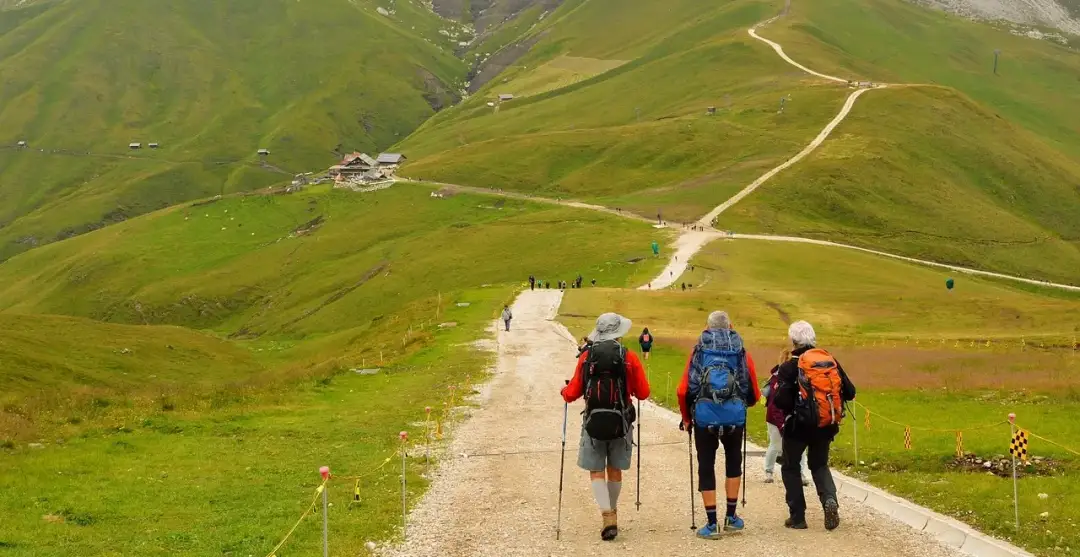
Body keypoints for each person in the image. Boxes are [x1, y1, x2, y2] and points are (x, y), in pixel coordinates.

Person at [561, 313, 651, 541]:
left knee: (596, 470)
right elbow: (643, 392)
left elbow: (572, 393)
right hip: (621, 421)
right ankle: (613, 510)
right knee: (614, 469)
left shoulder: (586, 357)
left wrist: (564, 391)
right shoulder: (628, 356)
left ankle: (607, 514)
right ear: (618, 333)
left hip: (593, 421)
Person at [677, 311, 760, 539]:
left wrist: (687, 417)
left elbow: (684, 389)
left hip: (704, 417)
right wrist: (744, 403)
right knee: (733, 461)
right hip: (734, 416)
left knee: (706, 465)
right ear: (730, 326)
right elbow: (751, 388)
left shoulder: (699, 351)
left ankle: (711, 524)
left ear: (707, 327)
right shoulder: (740, 351)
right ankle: (731, 518)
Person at [774, 321, 856, 531]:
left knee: (791, 467)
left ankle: (798, 517)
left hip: (797, 428)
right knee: (819, 465)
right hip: (825, 424)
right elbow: (850, 391)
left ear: (793, 341)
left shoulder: (789, 367)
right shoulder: (829, 361)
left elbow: (781, 401)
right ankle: (830, 500)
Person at [762, 349, 809, 486]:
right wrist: (782, 425)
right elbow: (773, 406)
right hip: (774, 419)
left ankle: (801, 473)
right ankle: (769, 471)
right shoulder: (776, 379)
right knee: (776, 444)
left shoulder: (800, 377)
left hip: (794, 418)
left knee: (800, 447)